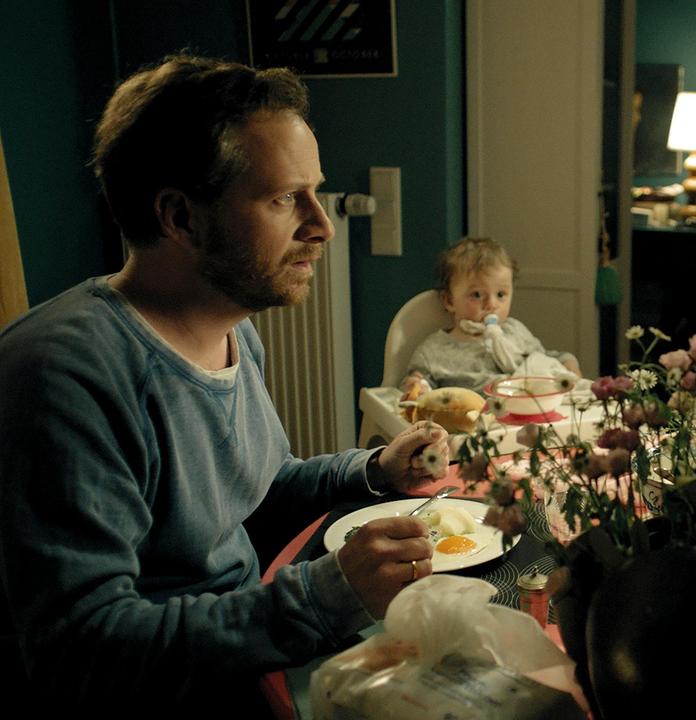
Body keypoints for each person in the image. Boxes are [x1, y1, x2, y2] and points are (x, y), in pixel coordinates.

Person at [0, 55, 452, 713]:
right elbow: (83, 648)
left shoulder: (234, 329)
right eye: (281, 198)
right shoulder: (63, 375)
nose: (321, 225)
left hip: (246, 648)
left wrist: (374, 470)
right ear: (181, 218)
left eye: (314, 191)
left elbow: (252, 494)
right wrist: (322, 597)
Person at [403, 236, 582, 393]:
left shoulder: (515, 331)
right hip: (475, 424)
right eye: (477, 295)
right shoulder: (434, 350)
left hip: (528, 415)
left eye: (501, 295)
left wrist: (568, 364)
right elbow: (416, 388)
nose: (492, 305)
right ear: (449, 301)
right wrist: (416, 385)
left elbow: (543, 359)